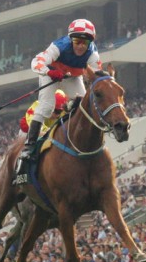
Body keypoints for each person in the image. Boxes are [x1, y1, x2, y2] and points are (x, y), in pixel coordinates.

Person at [14, 18, 101, 184]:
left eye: (85, 42)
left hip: (71, 77)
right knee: (47, 106)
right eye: (77, 41)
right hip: (51, 75)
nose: (81, 46)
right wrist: (49, 71)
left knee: (84, 105)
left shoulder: (93, 53)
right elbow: (36, 62)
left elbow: (97, 75)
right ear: (70, 39)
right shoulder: (59, 46)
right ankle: (30, 146)